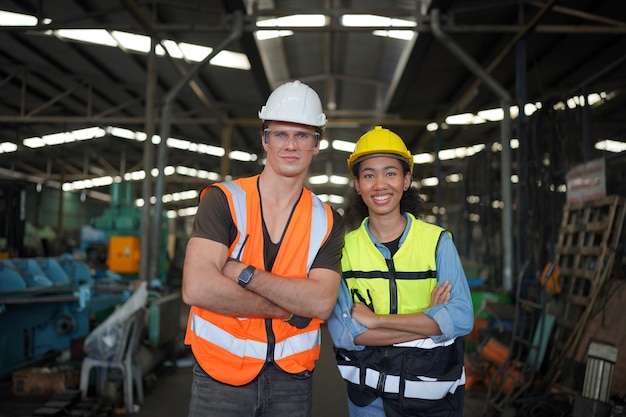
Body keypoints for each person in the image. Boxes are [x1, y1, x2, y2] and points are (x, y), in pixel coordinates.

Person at [182, 80, 345, 417]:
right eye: (280, 133)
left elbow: (321, 302)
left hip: (292, 380)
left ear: (317, 144)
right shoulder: (223, 200)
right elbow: (197, 287)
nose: (291, 145)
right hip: (220, 376)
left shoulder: (327, 220)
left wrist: (242, 272)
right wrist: (287, 310)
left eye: (303, 135)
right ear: (264, 138)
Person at [328, 126, 474, 417]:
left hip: (431, 396)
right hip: (368, 401)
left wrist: (377, 321)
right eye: (369, 175)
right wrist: (430, 323)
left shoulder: (436, 242)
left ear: (406, 180)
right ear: (357, 184)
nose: (380, 184)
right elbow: (346, 334)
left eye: (390, 173)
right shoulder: (343, 249)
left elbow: (461, 318)